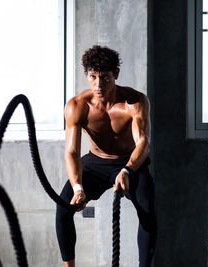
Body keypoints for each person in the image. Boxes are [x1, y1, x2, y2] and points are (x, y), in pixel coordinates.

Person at [55, 45, 156, 267]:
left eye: (105, 77)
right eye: (93, 77)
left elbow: (144, 144)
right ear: (87, 75)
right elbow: (72, 151)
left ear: (116, 75)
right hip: (95, 162)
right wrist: (78, 187)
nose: (99, 85)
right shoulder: (77, 106)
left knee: (148, 213)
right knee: (63, 209)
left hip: (130, 162)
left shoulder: (135, 101)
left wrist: (127, 170)